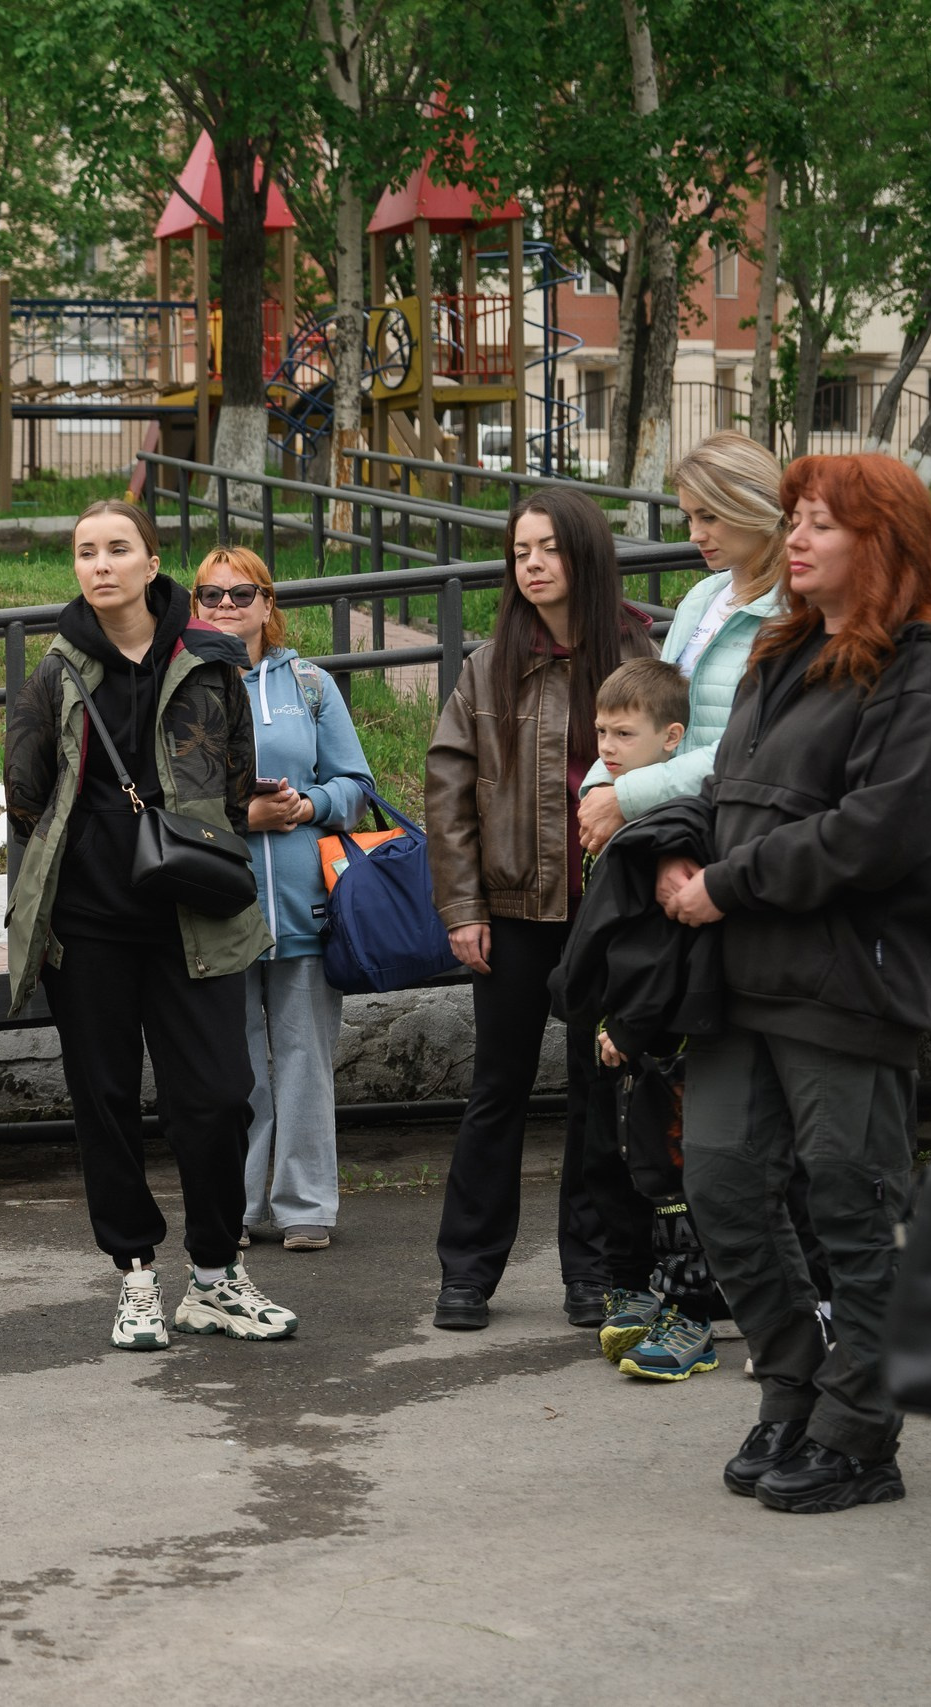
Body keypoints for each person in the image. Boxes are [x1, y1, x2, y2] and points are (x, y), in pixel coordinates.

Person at [664, 453, 931, 1513]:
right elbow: (729, 787)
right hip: (742, 975)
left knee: (852, 1211)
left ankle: (861, 1431)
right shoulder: (782, 648)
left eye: (819, 524)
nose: (793, 539)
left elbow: (876, 836)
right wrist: (672, 854)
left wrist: (727, 882)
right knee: (720, 1187)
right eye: (795, 520)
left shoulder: (924, 671)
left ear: (883, 543)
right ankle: (793, 1385)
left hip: (848, 983)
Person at [6, 500, 299, 1352]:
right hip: (89, 926)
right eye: (86, 551)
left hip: (192, 915)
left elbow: (235, 775)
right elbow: (26, 792)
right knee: (103, 1099)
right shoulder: (55, 671)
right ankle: (135, 1272)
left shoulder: (208, 655)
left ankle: (215, 1276)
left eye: (117, 549)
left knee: (215, 1098)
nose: (101, 565)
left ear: (151, 561)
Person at [425, 488, 655, 1333]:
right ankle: (467, 1271)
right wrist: (462, 906)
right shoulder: (490, 664)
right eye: (519, 550)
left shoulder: (637, 650)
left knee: (603, 1090)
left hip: (608, 907)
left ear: (583, 553)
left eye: (547, 548)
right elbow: (448, 794)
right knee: (498, 1088)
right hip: (514, 908)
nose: (530, 563)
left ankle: (592, 1271)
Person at [186, 545, 370, 1253]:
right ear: (193, 605)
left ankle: (304, 1206)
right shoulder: (186, 685)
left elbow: (356, 785)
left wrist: (307, 805)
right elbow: (168, 798)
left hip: (304, 910)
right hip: (218, 909)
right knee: (230, 1070)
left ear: (269, 602)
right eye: (211, 595)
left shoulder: (312, 685)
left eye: (241, 593)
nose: (226, 607)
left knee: (303, 1061)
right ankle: (232, 1204)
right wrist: (240, 817)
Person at [569, 658, 723, 1382]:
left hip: (658, 1036)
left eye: (623, 733)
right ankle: (632, 1290)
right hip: (617, 1027)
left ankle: (691, 1312)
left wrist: (629, 1027)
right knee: (620, 1167)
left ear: (671, 740)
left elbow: (661, 949)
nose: (606, 745)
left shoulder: (666, 825)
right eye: (600, 729)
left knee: (670, 1179)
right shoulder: (622, 813)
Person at [578, 431, 788, 856]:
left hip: (740, 841)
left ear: (751, 505)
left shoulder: (792, 613)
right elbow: (652, 704)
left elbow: (754, 746)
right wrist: (602, 783)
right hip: (674, 831)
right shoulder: (703, 598)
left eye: (709, 517)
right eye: (689, 518)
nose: (694, 534)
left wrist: (627, 797)